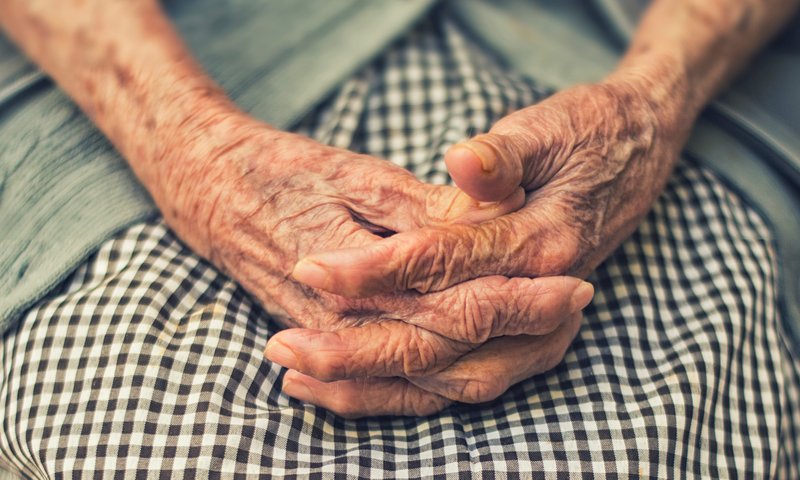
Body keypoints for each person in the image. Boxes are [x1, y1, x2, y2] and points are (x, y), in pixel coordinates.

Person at [0, 0, 798, 477]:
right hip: (159, 71)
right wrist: (192, 150)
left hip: (631, 50)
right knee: (166, 439)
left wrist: (654, 103)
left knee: (658, 440)